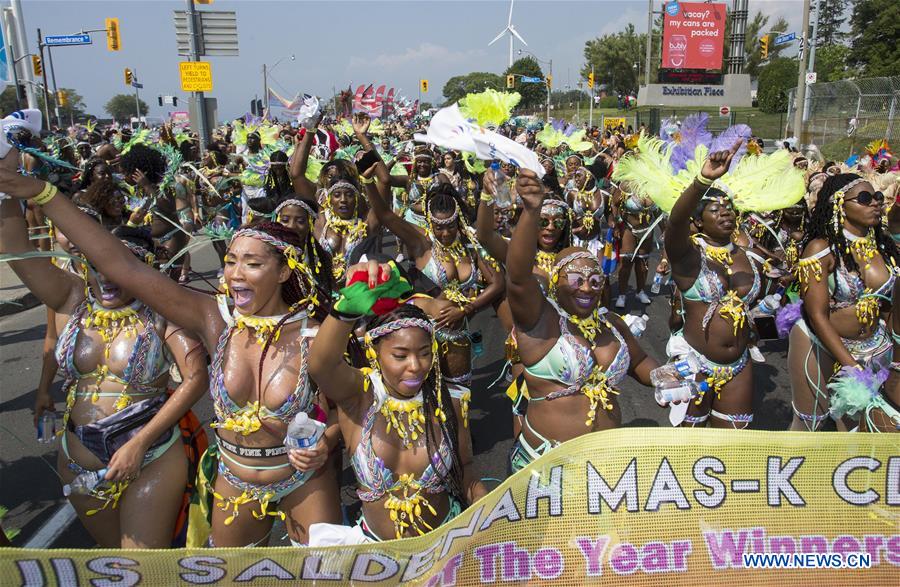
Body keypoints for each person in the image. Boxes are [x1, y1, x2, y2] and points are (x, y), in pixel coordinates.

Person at [0, 153, 343, 546]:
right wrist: (44, 194)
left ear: (283, 271)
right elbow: (118, 264)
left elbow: (346, 408)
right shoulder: (216, 321)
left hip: (302, 480)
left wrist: (326, 442)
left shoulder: (314, 334)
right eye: (230, 262)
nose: (234, 274)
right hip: (233, 481)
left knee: (324, 573)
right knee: (232, 577)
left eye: (251, 264)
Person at [0, 194, 207, 548]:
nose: (107, 278)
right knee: (112, 564)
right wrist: (6, 185)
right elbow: (15, 248)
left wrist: (139, 444)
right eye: (98, 266)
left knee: (140, 570)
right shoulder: (71, 300)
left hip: (151, 455)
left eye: (120, 268)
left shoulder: (161, 311)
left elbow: (196, 376)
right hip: (78, 459)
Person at [308, 261, 486, 542]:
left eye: (425, 353)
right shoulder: (360, 396)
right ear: (375, 354)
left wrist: (481, 501)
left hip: (444, 545)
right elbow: (321, 366)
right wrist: (344, 313)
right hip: (379, 559)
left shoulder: (446, 402)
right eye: (400, 356)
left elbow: (467, 471)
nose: (415, 366)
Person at [504, 170, 657, 472]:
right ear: (556, 282)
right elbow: (518, 277)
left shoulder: (612, 323)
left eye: (595, 279)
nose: (586, 287)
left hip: (606, 467)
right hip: (549, 467)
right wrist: (532, 211)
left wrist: (666, 377)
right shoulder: (541, 322)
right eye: (576, 278)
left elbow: (640, 363)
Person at [665, 142, 762, 429]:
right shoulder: (688, 257)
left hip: (739, 364)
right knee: (689, 445)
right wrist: (703, 181)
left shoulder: (747, 255)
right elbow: (674, 223)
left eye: (729, 208)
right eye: (715, 210)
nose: (725, 213)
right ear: (697, 221)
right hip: (695, 363)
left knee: (732, 443)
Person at [788, 173, 897, 431]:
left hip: (875, 346)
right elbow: (817, 315)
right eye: (864, 198)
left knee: (863, 427)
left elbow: (889, 307)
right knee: (809, 427)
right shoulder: (821, 249)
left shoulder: (883, 247)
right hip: (820, 344)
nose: (875, 203)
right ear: (839, 204)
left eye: (878, 197)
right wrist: (852, 366)